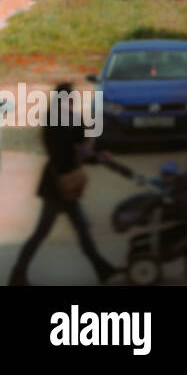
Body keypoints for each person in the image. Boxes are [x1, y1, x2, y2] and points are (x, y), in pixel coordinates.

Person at [7, 83, 121, 286]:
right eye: (68, 99)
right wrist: (90, 155)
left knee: (78, 228)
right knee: (48, 232)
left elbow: (81, 150)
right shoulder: (56, 123)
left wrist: (96, 156)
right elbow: (68, 152)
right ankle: (18, 273)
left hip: (64, 183)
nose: (70, 102)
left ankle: (101, 269)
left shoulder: (66, 121)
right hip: (57, 186)